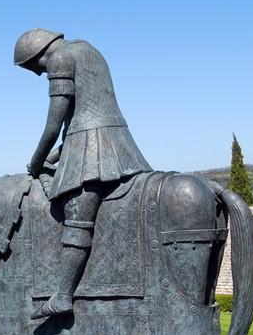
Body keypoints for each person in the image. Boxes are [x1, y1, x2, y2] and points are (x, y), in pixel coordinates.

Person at [14, 29, 151, 318]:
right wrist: (57, 156)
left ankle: (63, 295)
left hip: (92, 146)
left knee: (77, 216)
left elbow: (55, 123)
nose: (40, 73)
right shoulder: (88, 49)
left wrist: (36, 161)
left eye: (35, 68)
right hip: (112, 139)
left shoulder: (59, 58)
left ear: (38, 54)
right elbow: (87, 114)